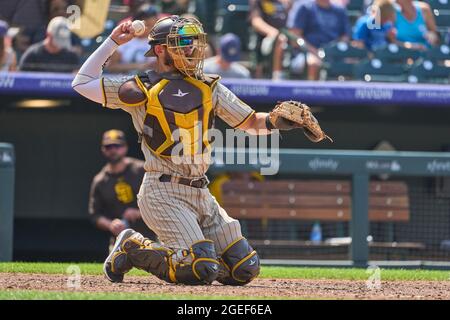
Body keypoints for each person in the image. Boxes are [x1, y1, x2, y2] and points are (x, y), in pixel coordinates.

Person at [72, 15, 307, 286]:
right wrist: (113, 42)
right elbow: (81, 83)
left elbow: (252, 121)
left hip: (201, 192)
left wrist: (278, 121)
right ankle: (133, 248)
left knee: (245, 268)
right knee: (199, 268)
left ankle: (195, 256)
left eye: (193, 42)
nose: (191, 49)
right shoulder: (141, 87)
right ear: (160, 50)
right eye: (181, 42)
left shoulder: (208, 86)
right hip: (162, 192)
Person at [89, 130, 157, 251]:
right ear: (103, 149)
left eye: (117, 146)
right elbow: (95, 215)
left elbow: (162, 198)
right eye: (108, 146)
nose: (113, 150)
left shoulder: (142, 170)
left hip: (152, 236)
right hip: (121, 241)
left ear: (125, 148)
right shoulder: (100, 181)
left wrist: (139, 212)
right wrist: (111, 224)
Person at [287, 0, 351, 80]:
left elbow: (345, 36)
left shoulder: (339, 10)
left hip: (332, 54)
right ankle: (312, 90)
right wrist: (316, 53)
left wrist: (335, 51)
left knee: (352, 64)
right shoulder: (305, 7)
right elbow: (296, 37)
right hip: (306, 53)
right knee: (314, 62)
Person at [107, 4, 159, 74]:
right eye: (148, 26)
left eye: (153, 25)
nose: (151, 29)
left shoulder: (159, 41)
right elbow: (111, 66)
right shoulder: (124, 39)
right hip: (123, 81)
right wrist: (138, 66)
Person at [249, 0, 292, 80]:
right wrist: (274, 33)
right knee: (280, 39)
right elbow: (256, 21)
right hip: (265, 38)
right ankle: (277, 77)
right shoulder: (258, 1)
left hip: (286, 36)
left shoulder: (283, 2)